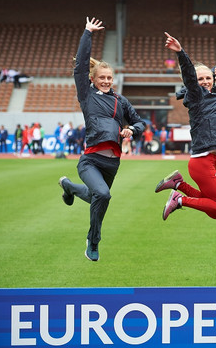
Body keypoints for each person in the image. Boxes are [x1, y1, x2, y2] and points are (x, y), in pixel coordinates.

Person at [57, 17, 145, 262]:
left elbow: (140, 122)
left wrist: (132, 130)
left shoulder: (121, 101)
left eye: (109, 78)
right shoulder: (87, 96)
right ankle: (93, 242)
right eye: (101, 77)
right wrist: (87, 33)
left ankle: (70, 187)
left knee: (98, 195)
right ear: (93, 79)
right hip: (91, 161)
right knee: (103, 196)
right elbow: (80, 66)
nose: (106, 81)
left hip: (112, 163)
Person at [154, 32, 216, 223]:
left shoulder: (206, 93)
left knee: (214, 211)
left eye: (209, 78)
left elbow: (206, 80)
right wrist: (181, 53)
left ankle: (178, 184)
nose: (206, 81)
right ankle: (180, 200)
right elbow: (190, 77)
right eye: (201, 80)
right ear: (193, 84)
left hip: (206, 159)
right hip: (202, 162)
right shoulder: (197, 95)